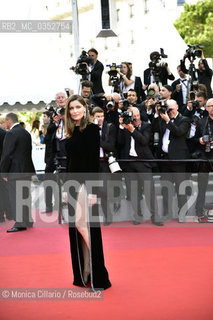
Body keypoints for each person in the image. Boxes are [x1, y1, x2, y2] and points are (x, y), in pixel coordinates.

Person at [65, 94, 111, 291]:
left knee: (82, 226)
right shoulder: (70, 131)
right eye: (71, 108)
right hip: (73, 185)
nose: (75, 111)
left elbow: (94, 162)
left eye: (78, 107)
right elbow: (70, 163)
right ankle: (87, 272)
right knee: (77, 229)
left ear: (85, 108)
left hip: (86, 185)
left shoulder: (92, 129)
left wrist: (93, 191)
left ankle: (99, 270)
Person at [118, 106, 163, 226]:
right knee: (134, 191)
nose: (136, 118)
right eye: (133, 116)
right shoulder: (125, 127)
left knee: (149, 191)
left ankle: (155, 216)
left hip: (143, 162)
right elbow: (120, 142)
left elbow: (144, 140)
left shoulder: (146, 126)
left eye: (137, 115)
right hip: (130, 163)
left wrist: (132, 129)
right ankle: (137, 216)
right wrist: (122, 127)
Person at [152, 100, 190, 222]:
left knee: (181, 188)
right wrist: (158, 114)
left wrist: (168, 120)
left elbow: (179, 132)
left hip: (178, 160)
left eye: (172, 109)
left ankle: (182, 212)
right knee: (165, 188)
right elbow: (155, 129)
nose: (170, 112)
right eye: (168, 109)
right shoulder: (163, 119)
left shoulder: (184, 120)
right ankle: (166, 212)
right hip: (165, 159)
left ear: (177, 107)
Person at [0, 113, 35, 232]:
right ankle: (28, 220)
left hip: (14, 171)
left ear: (9, 121)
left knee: (15, 198)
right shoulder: (25, 132)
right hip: (26, 170)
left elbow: (7, 155)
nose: (5, 124)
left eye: (5, 121)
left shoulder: (11, 133)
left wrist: (3, 173)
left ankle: (20, 223)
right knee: (25, 196)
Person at [193, 98, 213, 222]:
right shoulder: (202, 122)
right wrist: (200, 140)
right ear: (206, 108)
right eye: (211, 106)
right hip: (205, 157)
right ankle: (199, 211)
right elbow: (193, 139)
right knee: (202, 186)